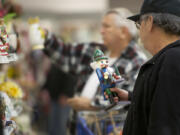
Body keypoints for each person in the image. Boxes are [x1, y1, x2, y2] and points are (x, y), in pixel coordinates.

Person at [43, 8, 146, 111]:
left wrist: (92, 104)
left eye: (106, 26)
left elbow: (130, 99)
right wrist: (45, 37)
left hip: (107, 126)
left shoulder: (137, 61)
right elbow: (65, 53)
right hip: (79, 124)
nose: (101, 31)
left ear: (123, 31)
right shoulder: (96, 51)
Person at [105, 0, 180, 135]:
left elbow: (166, 126)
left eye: (139, 24)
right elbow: (164, 102)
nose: (139, 32)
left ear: (149, 22)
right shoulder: (169, 58)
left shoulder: (172, 60)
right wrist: (131, 97)